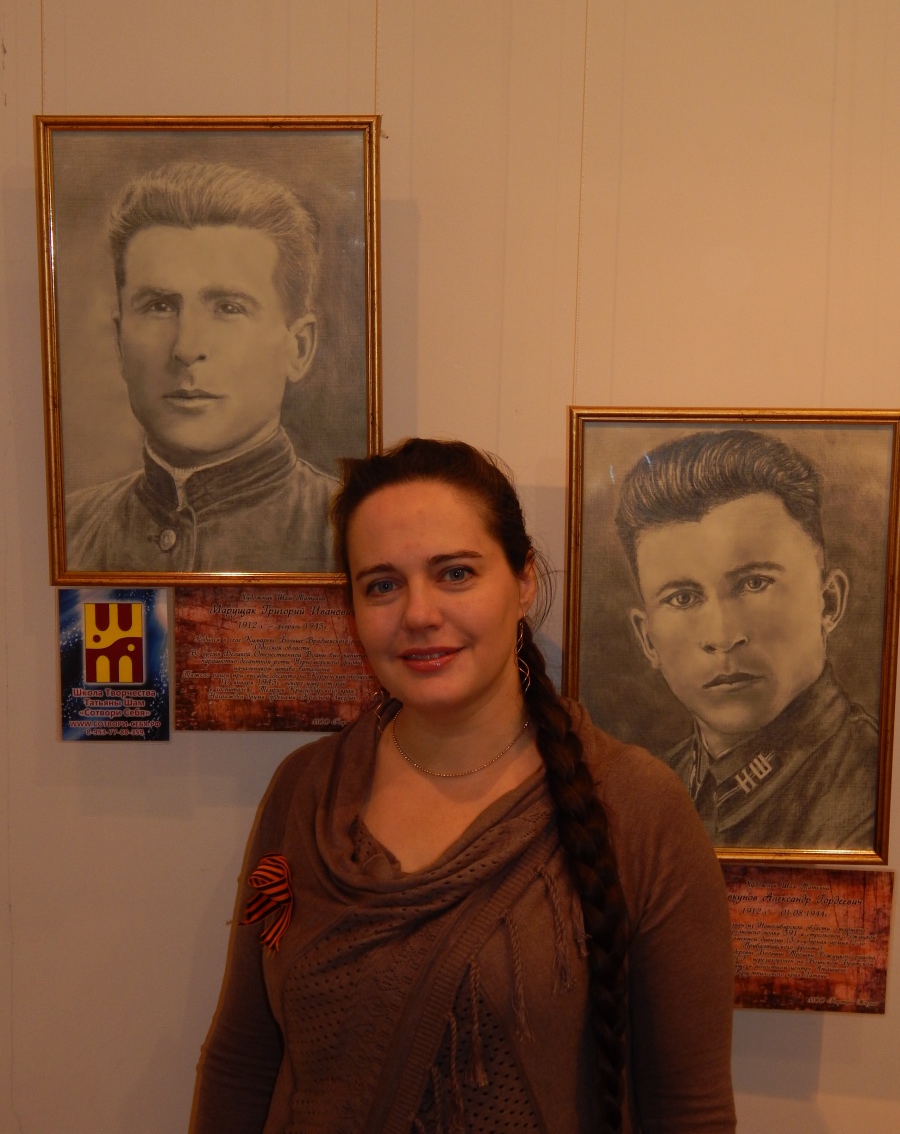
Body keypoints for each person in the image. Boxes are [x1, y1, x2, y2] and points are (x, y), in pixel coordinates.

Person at [192, 438, 735, 1134]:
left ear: (524, 581)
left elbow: (689, 1110)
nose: (419, 613)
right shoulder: (307, 791)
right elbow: (242, 1060)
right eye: (382, 585)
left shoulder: (636, 807)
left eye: (454, 573)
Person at [65, 160, 336, 573]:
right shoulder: (67, 533)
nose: (186, 348)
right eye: (159, 306)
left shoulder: (350, 534)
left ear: (297, 348)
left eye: (228, 308)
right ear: (120, 343)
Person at [615, 428, 879, 851]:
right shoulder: (643, 795)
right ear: (648, 640)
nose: (722, 637)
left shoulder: (876, 786)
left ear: (828, 602)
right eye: (682, 598)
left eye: (754, 583)